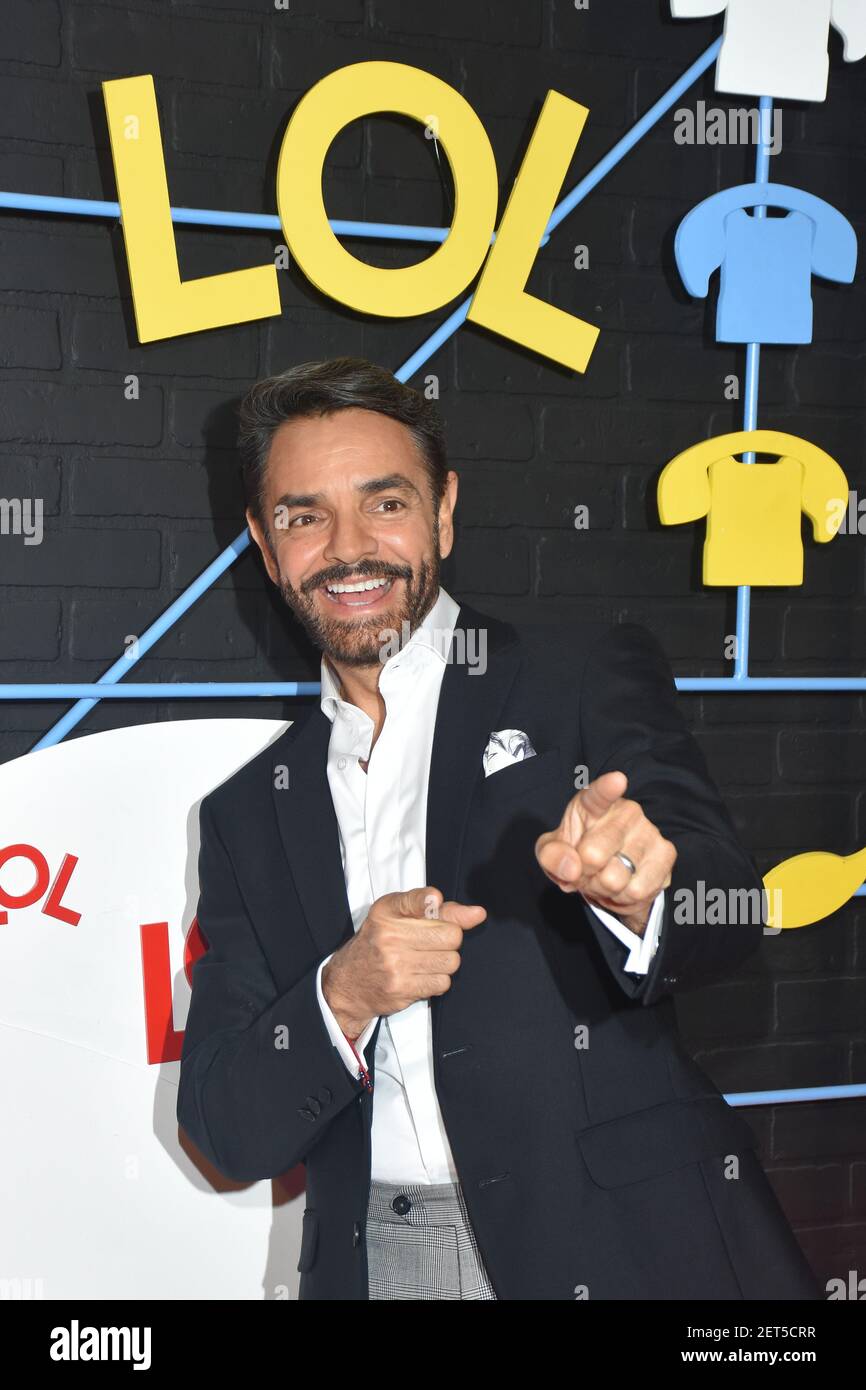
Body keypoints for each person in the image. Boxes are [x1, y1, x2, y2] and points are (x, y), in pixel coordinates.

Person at [177, 357, 820, 1301]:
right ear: (265, 547)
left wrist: (641, 897)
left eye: (384, 503)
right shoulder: (245, 811)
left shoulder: (579, 674)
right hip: (386, 1264)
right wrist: (344, 993)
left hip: (629, 1243)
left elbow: (727, 909)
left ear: (442, 510)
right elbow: (226, 1129)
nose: (348, 548)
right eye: (303, 515)